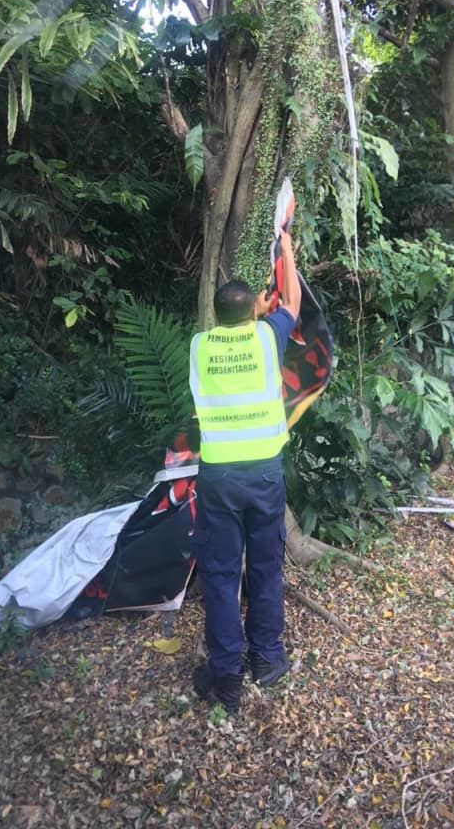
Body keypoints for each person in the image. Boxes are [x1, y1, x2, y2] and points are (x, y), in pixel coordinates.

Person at [188, 229, 301, 713]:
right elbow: (292, 300)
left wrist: (254, 302)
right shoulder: (265, 337)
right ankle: (269, 660)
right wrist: (287, 247)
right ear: (254, 309)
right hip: (263, 475)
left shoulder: (200, 346)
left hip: (218, 479)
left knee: (219, 573)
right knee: (264, 566)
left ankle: (227, 675)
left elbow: (256, 310)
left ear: (217, 315)